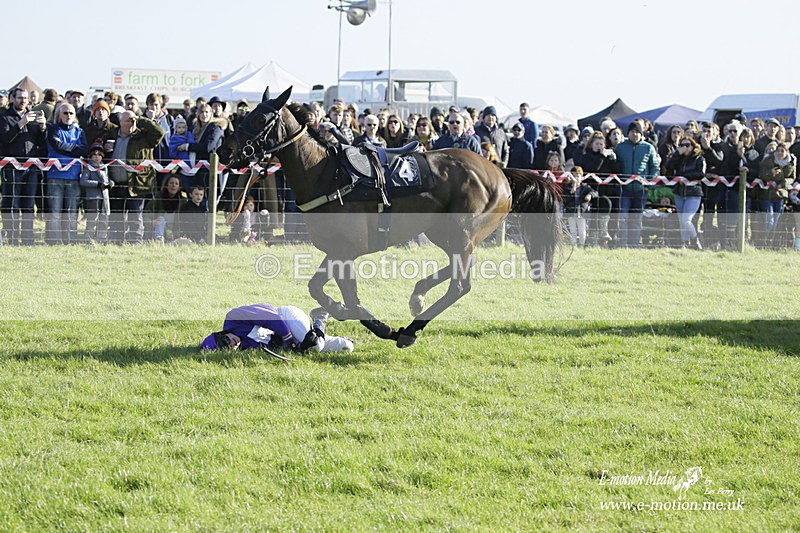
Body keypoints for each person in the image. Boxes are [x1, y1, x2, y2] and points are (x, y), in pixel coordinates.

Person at [200, 303, 354, 355]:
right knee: (347, 348)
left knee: (315, 346)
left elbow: (270, 317)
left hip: (286, 316)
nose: (232, 344)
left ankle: (320, 317)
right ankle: (343, 339)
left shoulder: (234, 317)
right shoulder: (244, 346)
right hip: (294, 335)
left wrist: (287, 339)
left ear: (220, 334)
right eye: (226, 348)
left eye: (226, 340)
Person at [107, 110, 166, 244]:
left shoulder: (144, 137)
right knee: (117, 216)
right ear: (121, 122)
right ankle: (116, 241)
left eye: (133, 121)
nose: (131, 123)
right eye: (128, 121)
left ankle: (135, 241)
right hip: (115, 183)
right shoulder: (112, 134)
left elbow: (160, 132)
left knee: (135, 216)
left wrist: (140, 119)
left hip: (137, 183)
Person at [0, 87, 47, 245]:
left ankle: (28, 239)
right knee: (12, 204)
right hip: (12, 167)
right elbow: (5, 139)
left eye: (25, 98)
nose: (23, 101)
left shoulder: (33, 115)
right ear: (12, 99)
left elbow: (41, 143)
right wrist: (21, 123)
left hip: (31, 167)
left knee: (28, 205)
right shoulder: (4, 116)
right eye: (20, 98)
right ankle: (12, 238)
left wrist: (42, 128)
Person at [45, 103, 88, 244]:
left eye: (71, 113)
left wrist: (71, 149)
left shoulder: (79, 132)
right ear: (59, 115)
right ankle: (54, 241)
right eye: (65, 113)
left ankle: (71, 241)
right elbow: (56, 145)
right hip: (55, 177)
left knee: (71, 212)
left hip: (74, 177)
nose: (68, 115)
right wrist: (74, 149)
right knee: (55, 213)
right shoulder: (52, 129)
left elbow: (84, 149)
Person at [613, 121, 659, 248]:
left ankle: (634, 244)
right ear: (628, 133)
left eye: (637, 132)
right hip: (624, 189)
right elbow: (615, 166)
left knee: (636, 219)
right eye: (632, 131)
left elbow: (654, 167)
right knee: (623, 217)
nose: (635, 134)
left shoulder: (648, 147)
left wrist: (648, 184)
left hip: (641, 190)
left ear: (641, 133)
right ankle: (622, 244)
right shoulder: (620, 147)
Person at [665, 136, 706, 249]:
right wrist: (677, 154)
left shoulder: (699, 158)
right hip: (679, 192)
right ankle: (684, 243)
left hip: (694, 193)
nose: (685, 147)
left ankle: (695, 240)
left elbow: (700, 174)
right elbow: (668, 167)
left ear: (693, 146)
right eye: (682, 145)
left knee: (686, 220)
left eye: (687, 145)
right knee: (681, 220)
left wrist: (685, 177)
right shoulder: (678, 158)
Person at [757, 142, 795, 248]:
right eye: (778, 151)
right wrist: (770, 173)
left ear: (787, 152)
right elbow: (761, 174)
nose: (780, 153)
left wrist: (783, 183)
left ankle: (769, 243)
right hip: (767, 194)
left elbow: (792, 177)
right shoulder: (768, 160)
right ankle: (762, 242)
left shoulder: (791, 163)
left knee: (776, 222)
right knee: (770, 220)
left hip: (780, 195)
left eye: (782, 151)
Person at [80, 142, 112, 242]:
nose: (97, 157)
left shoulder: (104, 167)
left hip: (104, 197)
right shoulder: (88, 167)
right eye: (94, 155)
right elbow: (83, 181)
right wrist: (97, 184)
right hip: (93, 197)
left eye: (99, 155)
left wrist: (110, 183)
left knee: (103, 218)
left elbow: (107, 179)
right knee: (92, 219)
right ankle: (88, 238)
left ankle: (101, 238)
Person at [562, 166, 597, 247]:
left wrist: (589, 195)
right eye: (573, 176)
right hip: (571, 212)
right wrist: (571, 192)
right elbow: (565, 199)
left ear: (581, 177)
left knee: (582, 232)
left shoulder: (585, 187)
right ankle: (573, 245)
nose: (576, 178)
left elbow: (595, 192)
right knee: (572, 231)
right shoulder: (567, 188)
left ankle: (581, 245)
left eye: (577, 176)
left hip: (581, 213)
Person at [146, 174, 186, 243]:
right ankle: (159, 240)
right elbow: (145, 215)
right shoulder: (157, 198)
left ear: (179, 187)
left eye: (176, 184)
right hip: (156, 231)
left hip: (174, 234)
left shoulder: (183, 201)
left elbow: (186, 221)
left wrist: (177, 233)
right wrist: (152, 223)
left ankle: (170, 242)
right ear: (166, 185)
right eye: (171, 183)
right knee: (161, 219)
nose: (173, 185)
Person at [168, 116, 196, 193]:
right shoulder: (174, 137)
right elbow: (172, 146)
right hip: (179, 154)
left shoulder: (188, 134)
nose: (181, 129)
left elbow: (191, 143)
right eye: (179, 127)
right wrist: (175, 152)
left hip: (187, 153)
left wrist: (186, 145)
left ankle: (188, 168)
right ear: (175, 128)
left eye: (183, 127)